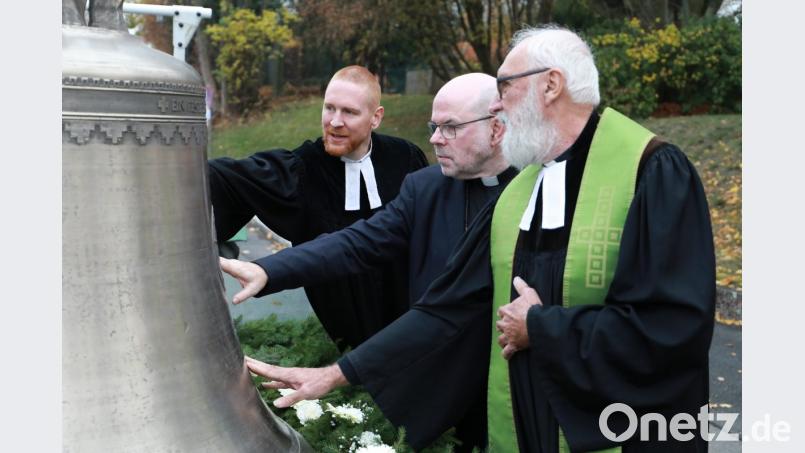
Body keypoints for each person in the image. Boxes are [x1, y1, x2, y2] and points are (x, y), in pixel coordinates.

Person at [247, 25, 715, 452]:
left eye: (506, 86)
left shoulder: (652, 172)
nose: (500, 103)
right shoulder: (522, 190)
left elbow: (674, 330)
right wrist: (332, 375)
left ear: (551, 85)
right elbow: (444, 308)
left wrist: (543, 327)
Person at [221, 73, 517, 452]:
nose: (435, 138)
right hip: (443, 392)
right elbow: (358, 242)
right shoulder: (425, 187)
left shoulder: (539, 190)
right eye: (434, 126)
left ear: (496, 129)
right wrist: (268, 269)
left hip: (514, 389)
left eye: (450, 128)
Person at [208, 65, 428, 351]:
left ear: (376, 117)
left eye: (349, 112)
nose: (335, 122)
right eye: (329, 108)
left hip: (413, 325)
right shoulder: (303, 169)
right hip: (347, 338)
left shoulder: (406, 158)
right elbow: (229, 180)